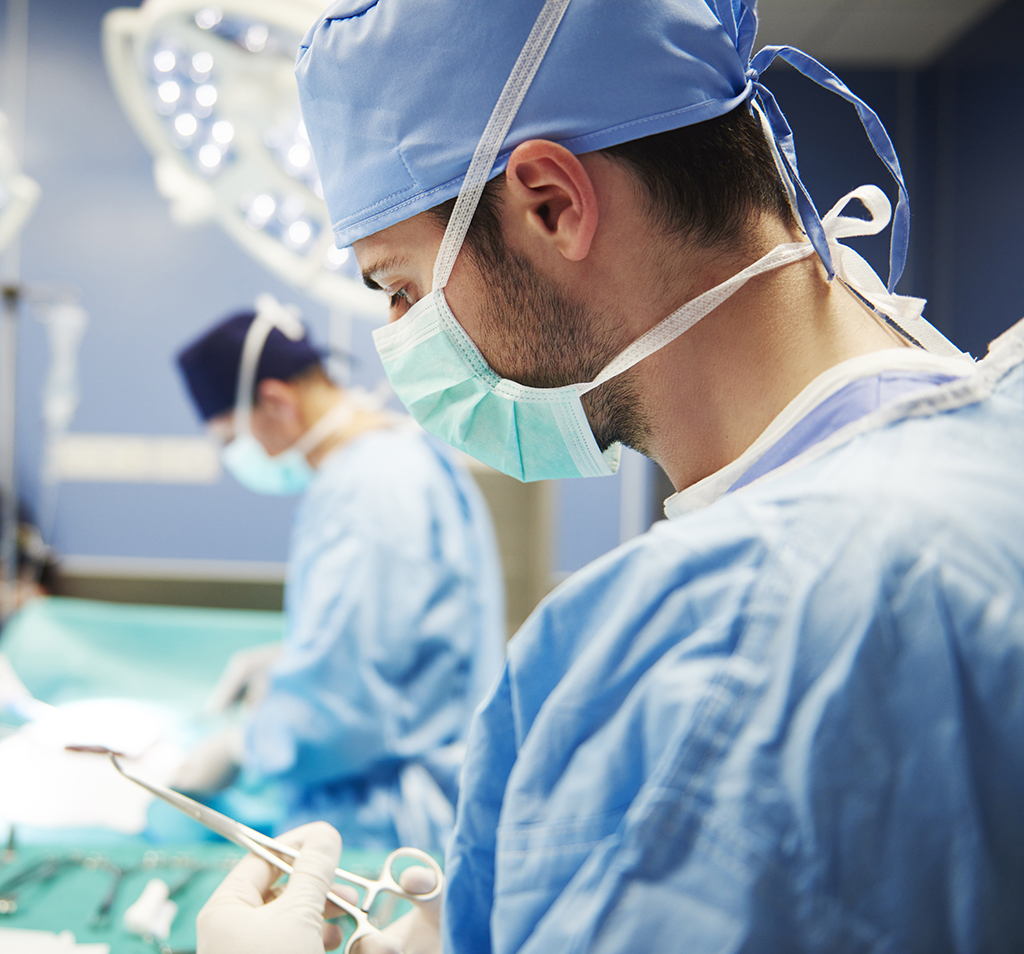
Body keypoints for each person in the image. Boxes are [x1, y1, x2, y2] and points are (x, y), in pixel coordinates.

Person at [196, 1, 1024, 951]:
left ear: (552, 202)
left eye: (401, 288)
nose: (399, 340)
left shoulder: (736, 651)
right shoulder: (988, 428)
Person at [175, 293, 505, 854]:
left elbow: (346, 703)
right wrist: (292, 657)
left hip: (381, 833)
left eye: (232, 439)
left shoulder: (366, 490)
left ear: (276, 403)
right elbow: (404, 640)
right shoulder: (396, 457)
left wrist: (244, 746)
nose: (237, 458)